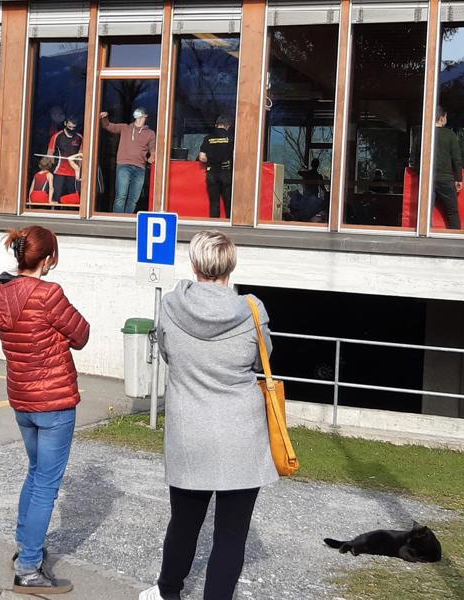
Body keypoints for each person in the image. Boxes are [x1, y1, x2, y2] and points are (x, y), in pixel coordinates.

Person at [139, 231, 277, 600]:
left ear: (195, 263)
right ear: (231, 264)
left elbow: (167, 351)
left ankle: (168, 591)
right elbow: (261, 355)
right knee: (231, 535)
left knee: (184, 522)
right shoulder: (252, 309)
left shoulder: (170, 305)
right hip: (241, 434)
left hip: (190, 431)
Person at [0, 226, 90, 595]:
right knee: (46, 483)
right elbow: (81, 334)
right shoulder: (49, 293)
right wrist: (58, 335)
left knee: (35, 475)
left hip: (22, 397)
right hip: (55, 401)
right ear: (46, 259)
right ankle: (29, 568)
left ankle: (24, 548)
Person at [100, 108, 157, 213]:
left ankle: (127, 221)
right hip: (124, 166)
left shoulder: (150, 133)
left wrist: (152, 156)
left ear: (145, 116)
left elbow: (152, 149)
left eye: (141, 115)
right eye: (137, 114)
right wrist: (105, 118)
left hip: (140, 168)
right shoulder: (125, 128)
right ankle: (117, 221)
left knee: (133, 199)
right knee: (121, 196)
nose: (138, 117)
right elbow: (108, 126)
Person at [199, 115, 235, 219]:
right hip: (226, 173)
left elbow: (202, 157)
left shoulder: (208, 138)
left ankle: (214, 224)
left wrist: (212, 160)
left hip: (212, 174)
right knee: (228, 202)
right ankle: (230, 223)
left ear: (216, 125)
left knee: (214, 202)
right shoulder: (231, 138)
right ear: (227, 125)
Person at [434, 106, 463, 230]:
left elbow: (415, 157)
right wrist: (459, 178)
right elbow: (457, 159)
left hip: (427, 179)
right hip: (446, 179)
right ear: (442, 117)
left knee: (425, 213)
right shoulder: (450, 135)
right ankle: (455, 240)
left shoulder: (423, 133)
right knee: (452, 212)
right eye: (446, 117)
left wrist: (421, 174)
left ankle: (423, 241)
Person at [47, 117, 84, 201]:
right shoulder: (57, 136)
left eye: (74, 128)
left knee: (72, 198)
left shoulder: (79, 137)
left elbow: (81, 155)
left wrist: (79, 171)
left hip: (73, 173)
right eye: (70, 127)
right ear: (65, 124)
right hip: (59, 171)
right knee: (57, 196)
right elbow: (49, 153)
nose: (71, 129)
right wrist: (50, 169)